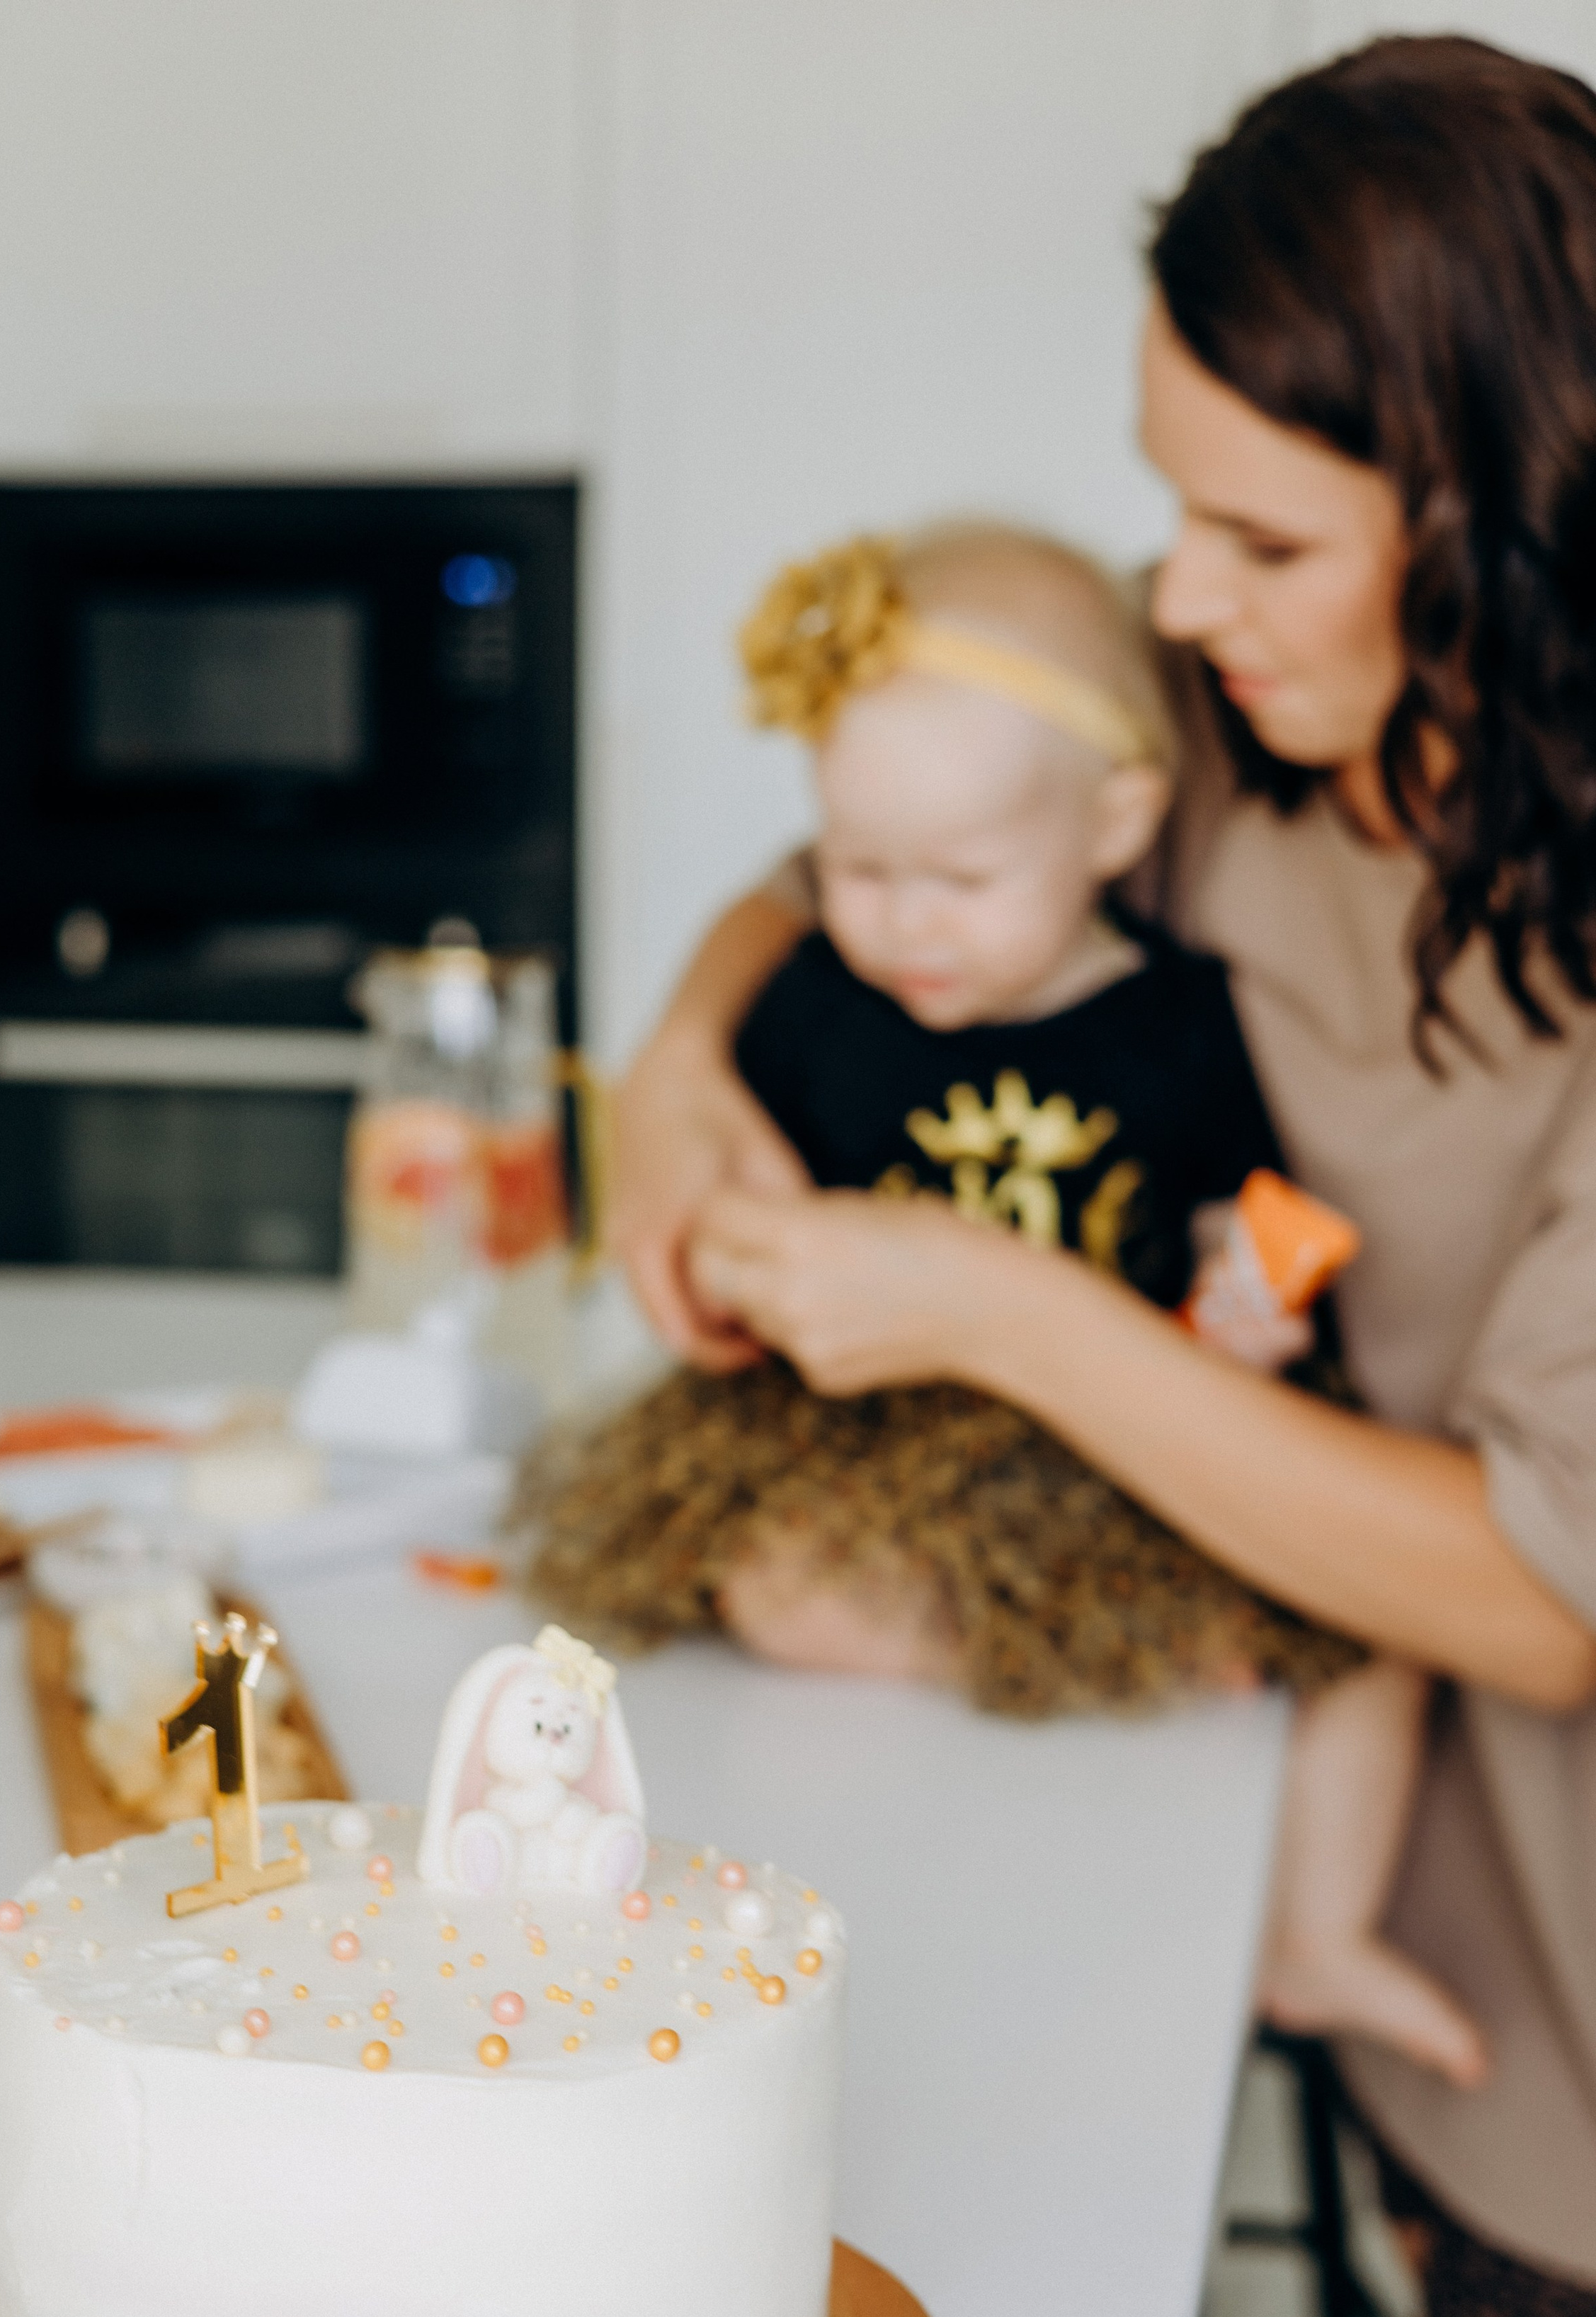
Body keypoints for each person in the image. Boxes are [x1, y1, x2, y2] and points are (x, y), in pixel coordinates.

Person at [608, 36, 1596, 2317]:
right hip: (1440, 1863)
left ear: (1500, 541)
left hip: (1556, 1845)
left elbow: (1548, 1587)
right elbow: (860, 886)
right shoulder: (1264, 752)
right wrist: (684, 1079)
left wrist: (1000, 1314)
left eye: (1258, 533)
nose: (1174, 596)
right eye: (1171, 508)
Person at [526, 515, 1484, 2088]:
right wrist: (721, 1252)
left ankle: (1314, 1932)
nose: (900, 922)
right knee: (779, 1588)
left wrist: (1248, 1293)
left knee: (1374, 1649)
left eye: (958, 877)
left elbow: (1237, 1212)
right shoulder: (817, 1006)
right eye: (852, 868)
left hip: (1111, 1443)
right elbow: (710, 1197)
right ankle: (1089, 1662)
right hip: (878, 1443)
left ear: (1116, 821)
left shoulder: (1178, 1024)